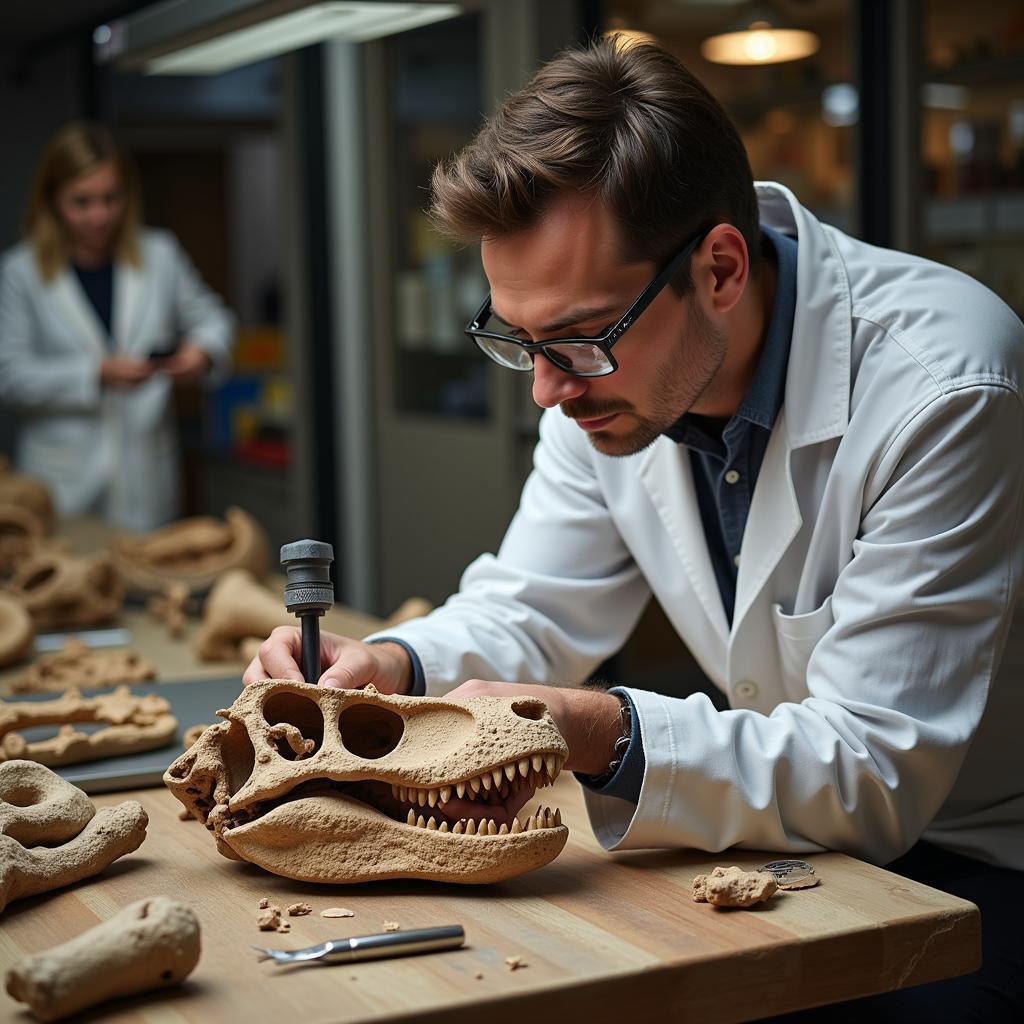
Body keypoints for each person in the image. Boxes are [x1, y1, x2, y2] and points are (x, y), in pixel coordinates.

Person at [246, 40, 1024, 1020]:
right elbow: (532, 603)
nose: (544, 387)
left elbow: (870, 766)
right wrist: (393, 667)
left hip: (978, 856)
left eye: (575, 338)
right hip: (798, 843)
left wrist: (595, 728)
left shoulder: (944, 385)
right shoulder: (605, 384)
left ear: (721, 269)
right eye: (517, 339)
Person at [0, 121, 235, 531]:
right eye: (82, 202)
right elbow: (11, 375)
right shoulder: (21, 272)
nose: (99, 215)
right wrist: (97, 373)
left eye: (111, 198)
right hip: (61, 483)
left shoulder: (160, 254)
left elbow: (214, 319)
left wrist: (200, 353)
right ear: (52, 200)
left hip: (146, 480)